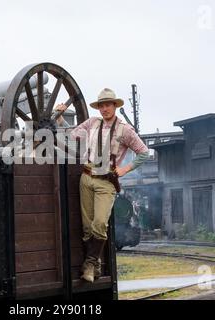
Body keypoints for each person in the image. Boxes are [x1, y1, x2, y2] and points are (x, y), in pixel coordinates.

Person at [54, 88, 149, 283]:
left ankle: (89, 264)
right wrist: (60, 118)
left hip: (106, 182)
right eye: (101, 105)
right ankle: (95, 267)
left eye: (108, 105)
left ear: (115, 105)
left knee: (99, 224)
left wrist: (125, 169)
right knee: (88, 227)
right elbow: (72, 135)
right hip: (86, 178)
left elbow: (144, 152)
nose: (104, 109)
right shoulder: (92, 123)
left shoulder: (125, 130)